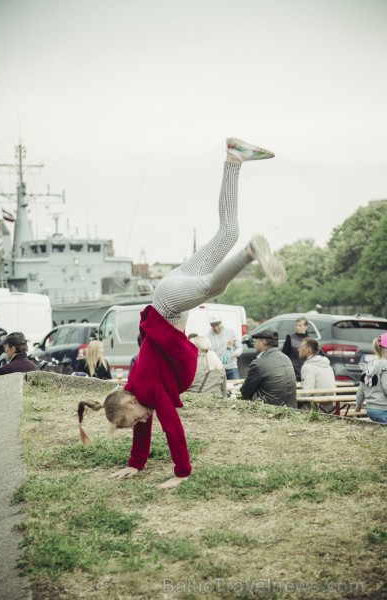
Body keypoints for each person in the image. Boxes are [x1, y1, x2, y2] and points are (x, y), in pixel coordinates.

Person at [78, 137, 286, 489]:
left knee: (211, 288)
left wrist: (181, 473)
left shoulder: (147, 390)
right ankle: (234, 160)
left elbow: (172, 428)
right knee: (227, 231)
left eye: (130, 422)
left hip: (169, 302)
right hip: (173, 283)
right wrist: (136, 464)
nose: (138, 424)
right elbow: (144, 428)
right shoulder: (134, 392)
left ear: (129, 401)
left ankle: (250, 252)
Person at [240, 328, 297, 407]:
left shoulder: (258, 364)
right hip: (291, 408)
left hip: (270, 410)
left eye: (256, 340)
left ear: (264, 342)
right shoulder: (286, 358)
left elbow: (245, 392)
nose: (254, 343)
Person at [355, 333, 387, 424]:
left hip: (370, 410)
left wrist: (358, 405)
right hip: (383, 411)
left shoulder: (369, 364)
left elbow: (361, 388)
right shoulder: (385, 366)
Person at [299, 337, 336, 413]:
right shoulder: (327, 365)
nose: (298, 349)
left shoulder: (308, 367)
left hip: (315, 409)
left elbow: (307, 393)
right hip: (330, 407)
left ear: (308, 350)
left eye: (301, 347)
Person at [207, 314, 243, 379]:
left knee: (234, 388)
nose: (216, 328)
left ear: (221, 323)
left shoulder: (230, 331)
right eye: (213, 326)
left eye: (217, 325)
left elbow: (239, 347)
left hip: (231, 367)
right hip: (217, 368)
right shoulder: (208, 336)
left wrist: (233, 354)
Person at [282, 316, 309, 381]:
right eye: (296, 325)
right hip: (294, 371)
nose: (297, 327)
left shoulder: (311, 339)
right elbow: (284, 355)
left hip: (308, 370)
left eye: (300, 325)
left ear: (306, 326)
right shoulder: (290, 338)